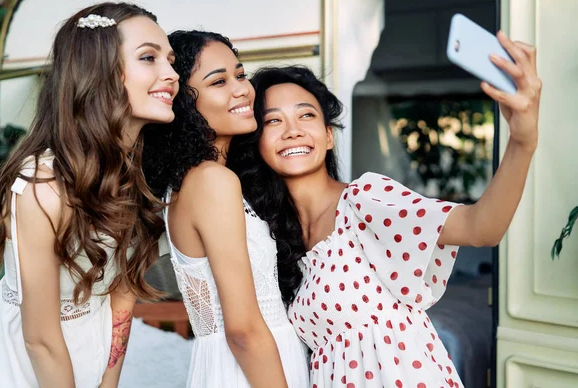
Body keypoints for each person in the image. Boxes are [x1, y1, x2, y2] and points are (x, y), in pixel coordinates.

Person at [228, 31, 541, 387]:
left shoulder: (364, 200)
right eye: (273, 121)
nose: (292, 131)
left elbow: (481, 227)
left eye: (306, 116)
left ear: (328, 136)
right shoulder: (274, 235)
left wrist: (522, 141)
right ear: (258, 143)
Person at [0, 2, 179, 388]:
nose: (171, 74)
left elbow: (123, 294)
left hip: (95, 343)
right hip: (29, 361)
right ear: (99, 69)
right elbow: (40, 339)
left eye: (170, 61)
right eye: (149, 58)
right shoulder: (43, 184)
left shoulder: (139, 170)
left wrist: (108, 381)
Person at [142, 30, 309, 388]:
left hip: (243, 363)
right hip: (251, 370)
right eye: (219, 81)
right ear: (184, 101)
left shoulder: (194, 180)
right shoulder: (212, 181)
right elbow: (243, 329)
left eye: (240, 74)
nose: (242, 89)